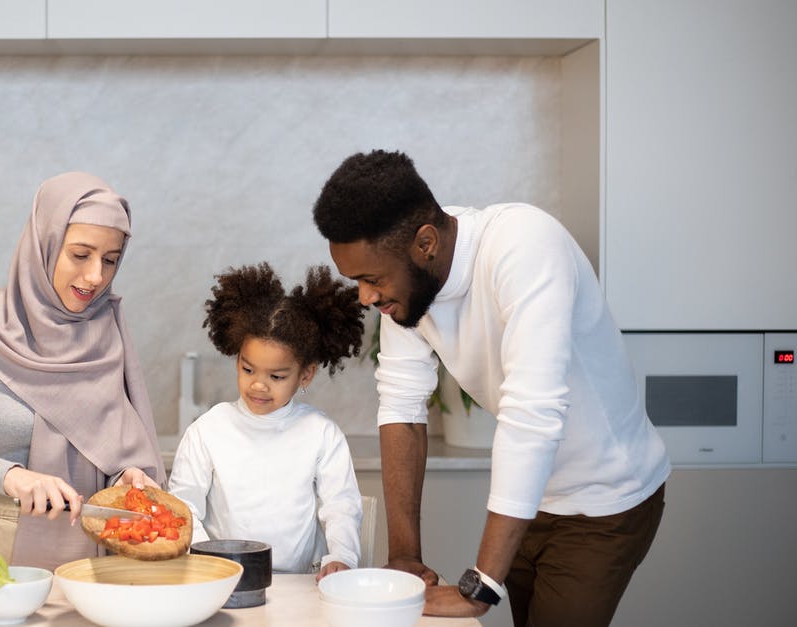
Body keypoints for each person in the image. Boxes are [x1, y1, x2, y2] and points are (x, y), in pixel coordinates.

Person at [311, 149, 670, 626]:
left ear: (425, 244)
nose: (365, 296)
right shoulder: (408, 283)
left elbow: (532, 417)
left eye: (371, 279)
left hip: (604, 500)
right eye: (356, 280)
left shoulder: (524, 247)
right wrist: (405, 561)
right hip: (533, 496)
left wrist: (481, 584)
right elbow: (401, 402)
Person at [0, 172, 165, 571]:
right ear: (43, 244)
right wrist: (12, 477)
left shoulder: (107, 332)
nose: (95, 276)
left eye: (110, 260)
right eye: (80, 254)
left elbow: (106, 444)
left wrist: (124, 479)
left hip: (91, 551)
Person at [168, 262, 366, 581]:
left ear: (306, 374)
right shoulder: (208, 430)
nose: (258, 385)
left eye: (276, 376)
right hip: (221, 579)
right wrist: (208, 561)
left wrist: (342, 555)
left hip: (298, 582)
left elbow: (341, 505)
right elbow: (182, 506)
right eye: (248, 370)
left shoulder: (320, 433)